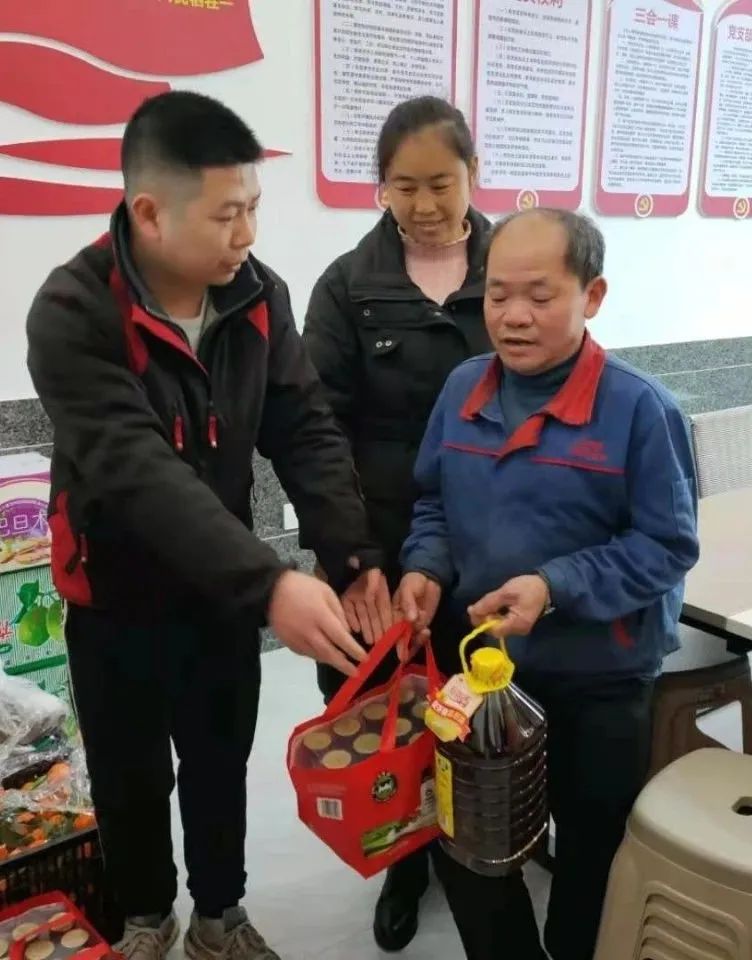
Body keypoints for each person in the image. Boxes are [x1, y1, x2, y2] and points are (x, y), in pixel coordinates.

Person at [26, 91, 391, 960]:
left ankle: (220, 920)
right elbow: (137, 471)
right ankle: (146, 918)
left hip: (217, 600)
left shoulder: (258, 297)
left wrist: (350, 557)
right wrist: (269, 583)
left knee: (220, 762)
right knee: (130, 776)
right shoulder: (74, 311)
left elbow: (305, 429)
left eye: (254, 208)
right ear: (150, 213)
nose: (247, 235)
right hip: (114, 597)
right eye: (228, 215)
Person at [397, 208, 700, 960]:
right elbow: (433, 500)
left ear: (591, 295)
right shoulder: (462, 389)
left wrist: (554, 585)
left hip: (600, 681)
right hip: (488, 675)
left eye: (540, 295)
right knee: (473, 843)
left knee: (590, 849)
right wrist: (425, 565)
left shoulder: (639, 409)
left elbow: (667, 545)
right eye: (498, 294)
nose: (513, 316)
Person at [302, 96, 492, 952]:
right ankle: (404, 861)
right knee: (384, 709)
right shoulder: (348, 285)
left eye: (441, 183)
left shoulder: (512, 269)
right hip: (374, 536)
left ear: (473, 175)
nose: (423, 204)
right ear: (379, 187)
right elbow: (315, 431)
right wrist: (351, 558)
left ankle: (483, 845)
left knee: (478, 700)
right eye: (403, 186)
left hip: (489, 536)